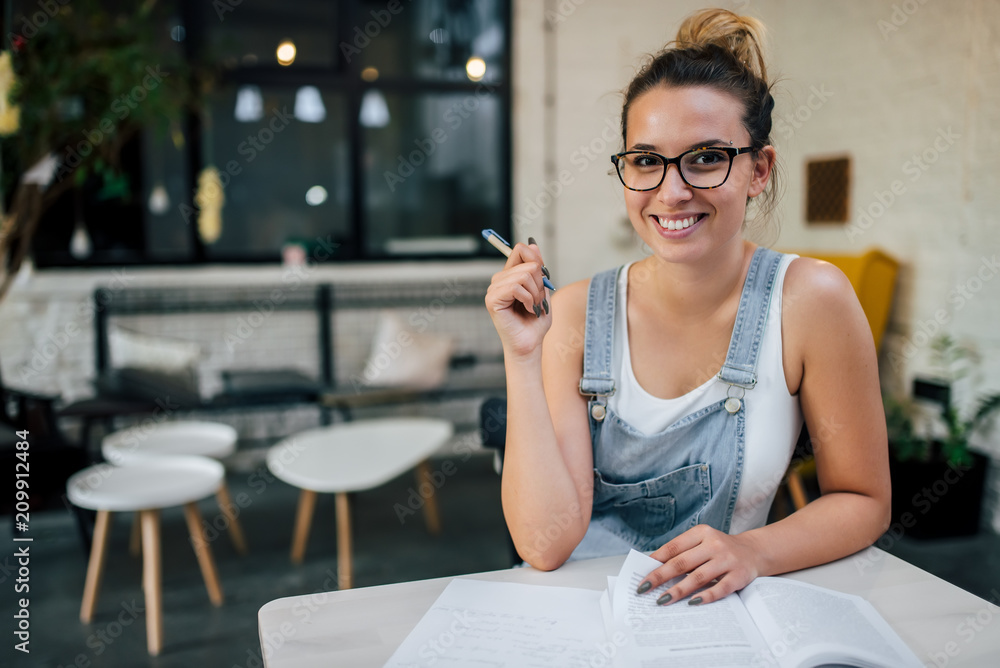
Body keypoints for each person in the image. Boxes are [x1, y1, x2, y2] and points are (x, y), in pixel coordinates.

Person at [484, 7, 890, 607]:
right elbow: (544, 547)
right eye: (646, 161)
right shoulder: (570, 315)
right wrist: (522, 357)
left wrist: (755, 551)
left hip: (724, 618)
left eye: (705, 157)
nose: (672, 192)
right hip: (581, 621)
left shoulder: (811, 302)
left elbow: (864, 500)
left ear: (759, 169)